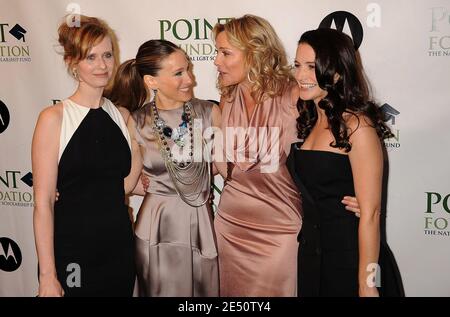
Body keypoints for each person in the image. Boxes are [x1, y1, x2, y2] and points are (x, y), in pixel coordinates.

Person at [211, 15, 361, 297]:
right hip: (230, 225)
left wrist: (361, 194)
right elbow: (222, 165)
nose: (216, 61)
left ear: (254, 53)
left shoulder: (295, 95)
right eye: (216, 52)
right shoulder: (227, 98)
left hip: (281, 228)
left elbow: (338, 140)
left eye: (225, 53)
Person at [287, 28, 402, 297]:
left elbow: (371, 215)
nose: (301, 76)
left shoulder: (357, 126)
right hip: (313, 256)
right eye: (298, 65)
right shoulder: (310, 121)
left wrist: (368, 283)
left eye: (312, 67)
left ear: (337, 72)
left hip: (351, 256)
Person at [108, 39, 221, 296]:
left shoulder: (209, 112)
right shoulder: (137, 122)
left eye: (189, 69)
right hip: (154, 228)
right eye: (179, 73)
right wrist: (70, 192)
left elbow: (226, 167)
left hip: (200, 224)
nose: (190, 79)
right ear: (151, 81)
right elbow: (126, 182)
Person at [32, 15, 135, 297]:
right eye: (91, 57)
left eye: (107, 55)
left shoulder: (122, 115)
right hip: (73, 253)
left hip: (120, 251)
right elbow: (42, 204)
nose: (102, 65)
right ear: (72, 63)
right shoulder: (54, 118)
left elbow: (122, 185)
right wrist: (47, 275)